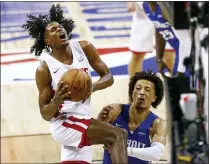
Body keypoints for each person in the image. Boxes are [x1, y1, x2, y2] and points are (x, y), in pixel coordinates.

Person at [22, 4, 128, 164]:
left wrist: (93, 87)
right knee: (119, 135)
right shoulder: (44, 69)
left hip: (83, 119)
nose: (59, 30)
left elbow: (108, 76)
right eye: (53, 30)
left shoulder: (84, 48)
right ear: (47, 41)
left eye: (60, 27)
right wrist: (56, 101)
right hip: (64, 123)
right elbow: (44, 114)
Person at [98, 70, 168, 164]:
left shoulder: (157, 123)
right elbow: (93, 135)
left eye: (147, 90)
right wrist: (99, 122)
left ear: (154, 98)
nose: (142, 92)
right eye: (138, 88)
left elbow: (156, 154)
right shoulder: (115, 111)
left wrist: (125, 150)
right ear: (132, 92)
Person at [141, 2, 192, 77]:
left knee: (182, 85)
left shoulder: (168, 6)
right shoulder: (145, 5)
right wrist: (159, 58)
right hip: (180, 52)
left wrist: (181, 70)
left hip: (188, 54)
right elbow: (158, 28)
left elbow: (187, 40)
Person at [127, 2, 175, 78]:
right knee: (137, 55)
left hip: (164, 12)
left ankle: (176, 86)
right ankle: (134, 86)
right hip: (143, 15)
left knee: (168, 55)